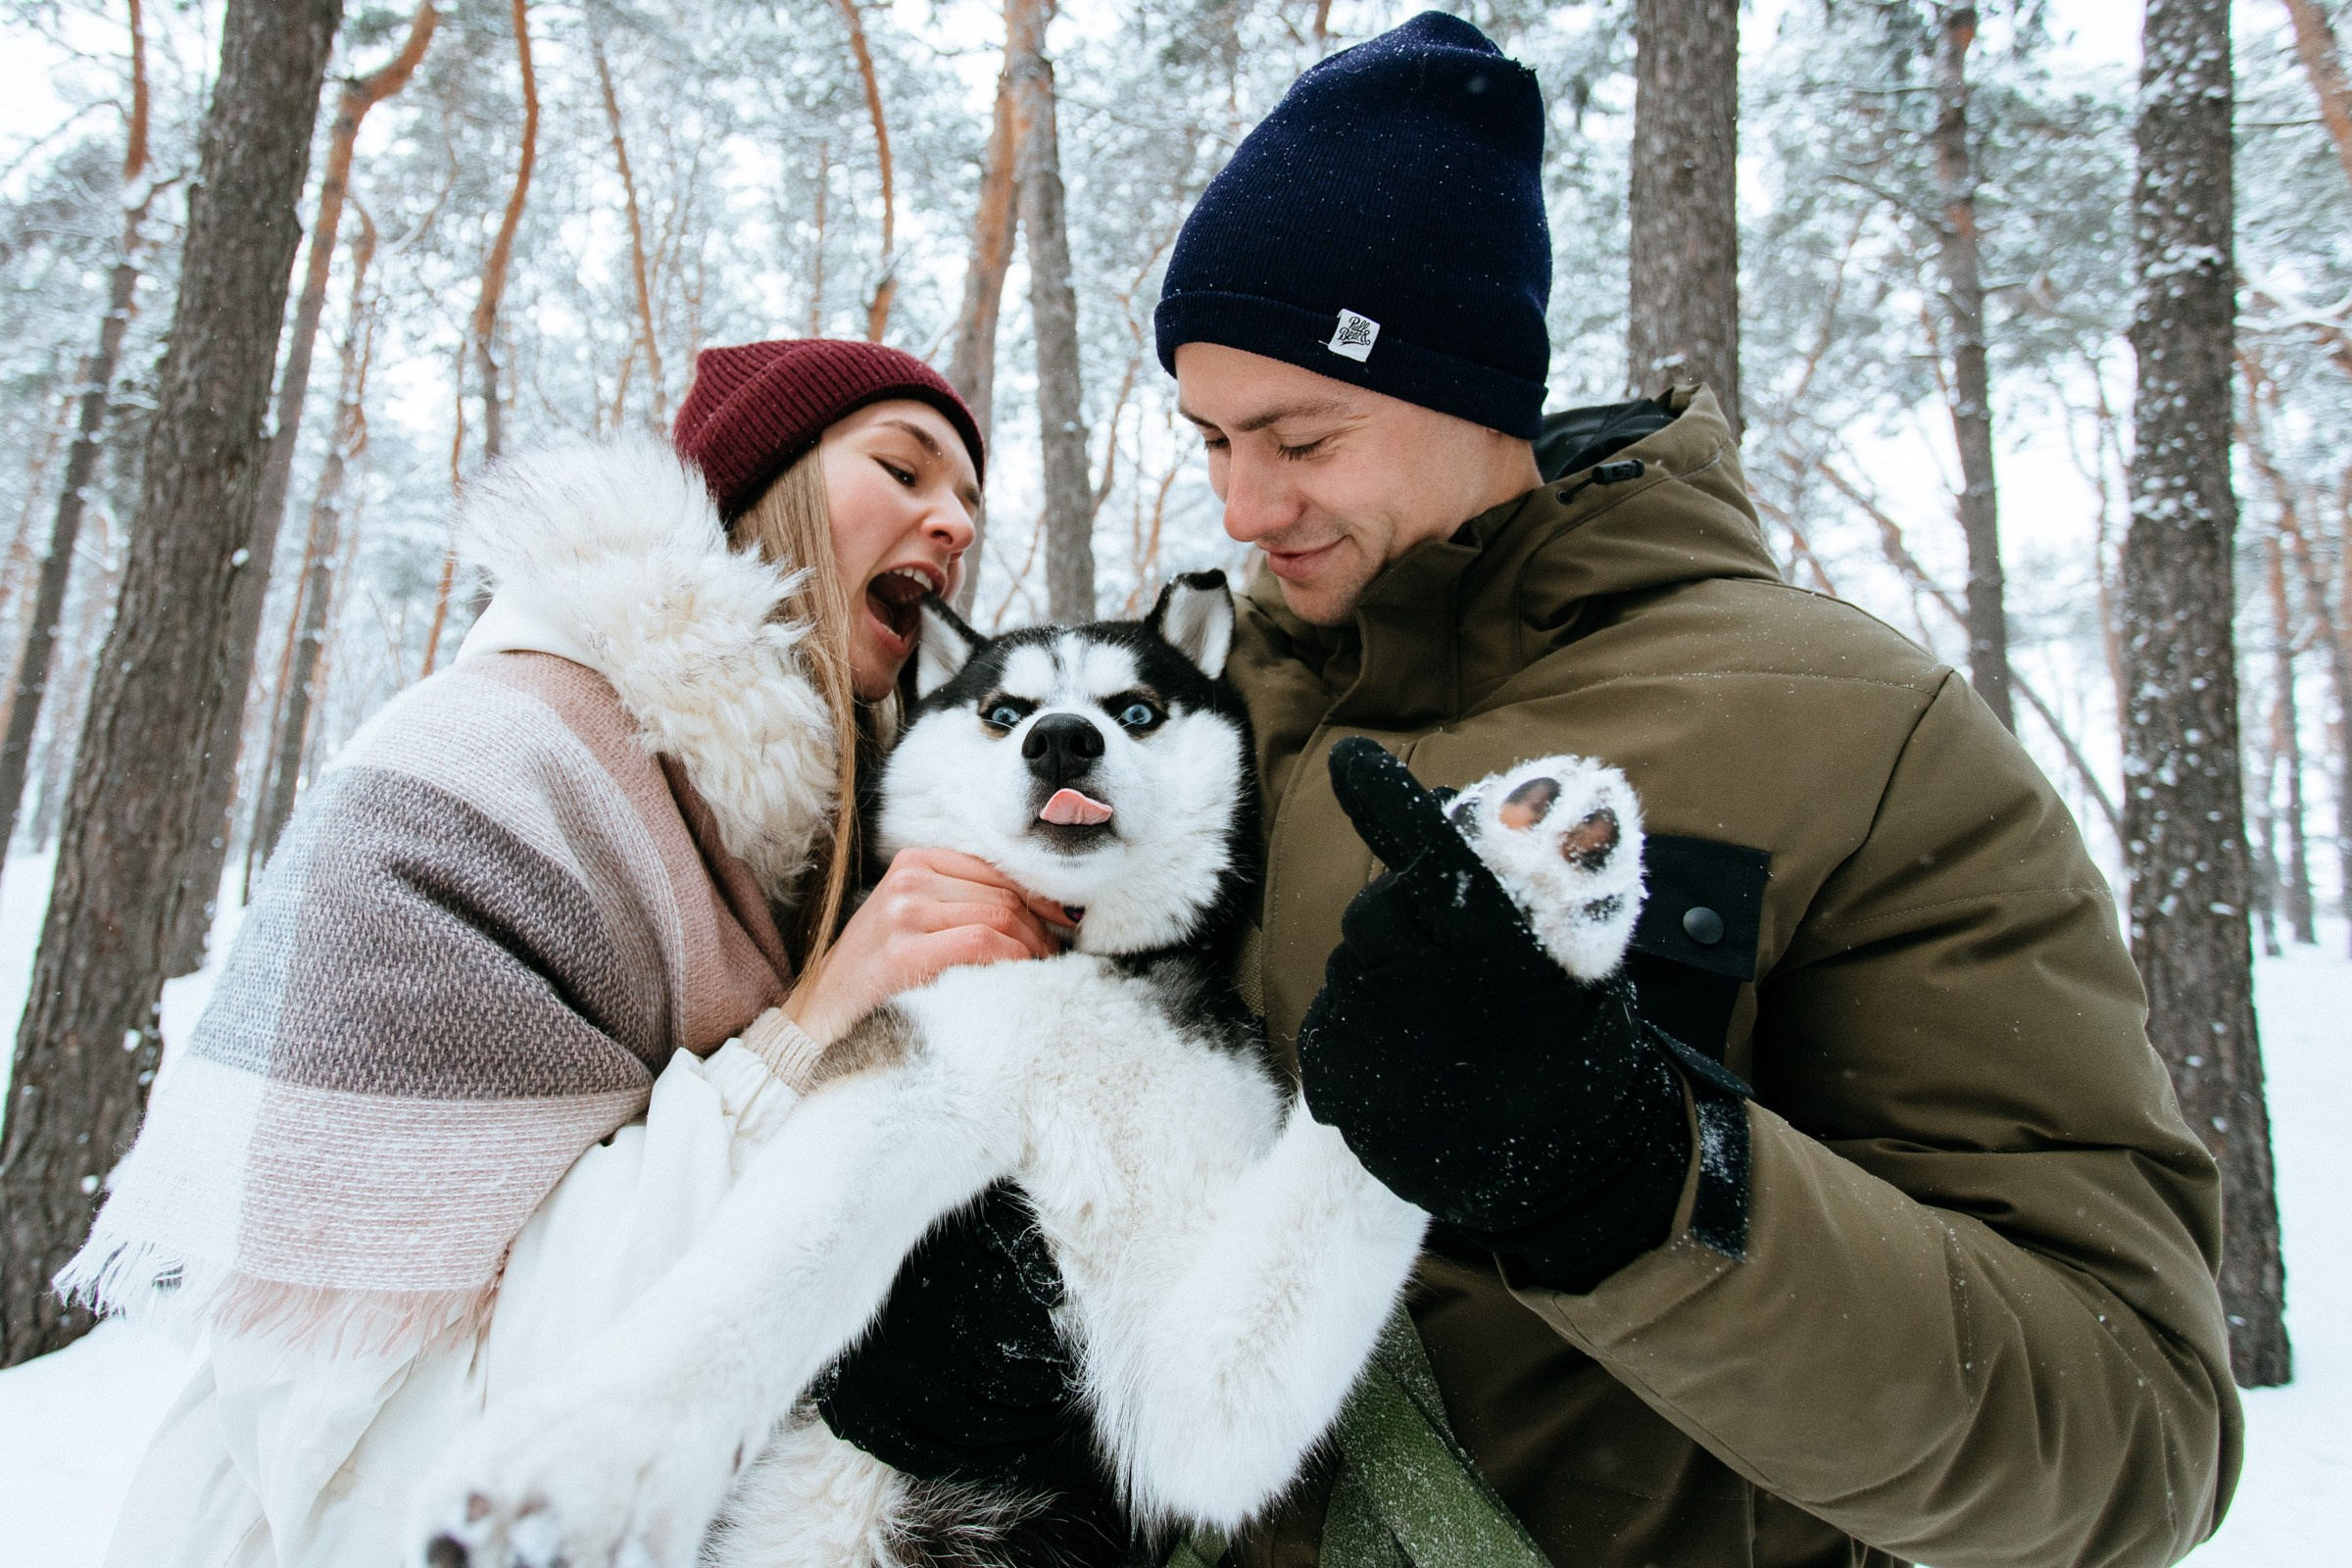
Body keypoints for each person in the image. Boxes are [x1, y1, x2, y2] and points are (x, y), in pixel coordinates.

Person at [819, 14, 2242, 1568]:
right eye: (1212, 439)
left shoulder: (1852, 734)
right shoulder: (1199, 727)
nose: (1244, 504)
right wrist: (953, 1303)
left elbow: (2136, 1439)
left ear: (1474, 389)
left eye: (1301, 437)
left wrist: (1631, 1174)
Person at [65, 338, 1075, 1566]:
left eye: (970, 502)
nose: (955, 524)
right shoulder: (490, 768)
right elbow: (378, 1436)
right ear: (763, 490)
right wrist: (812, 1030)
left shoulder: (792, 837)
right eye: (903, 469)